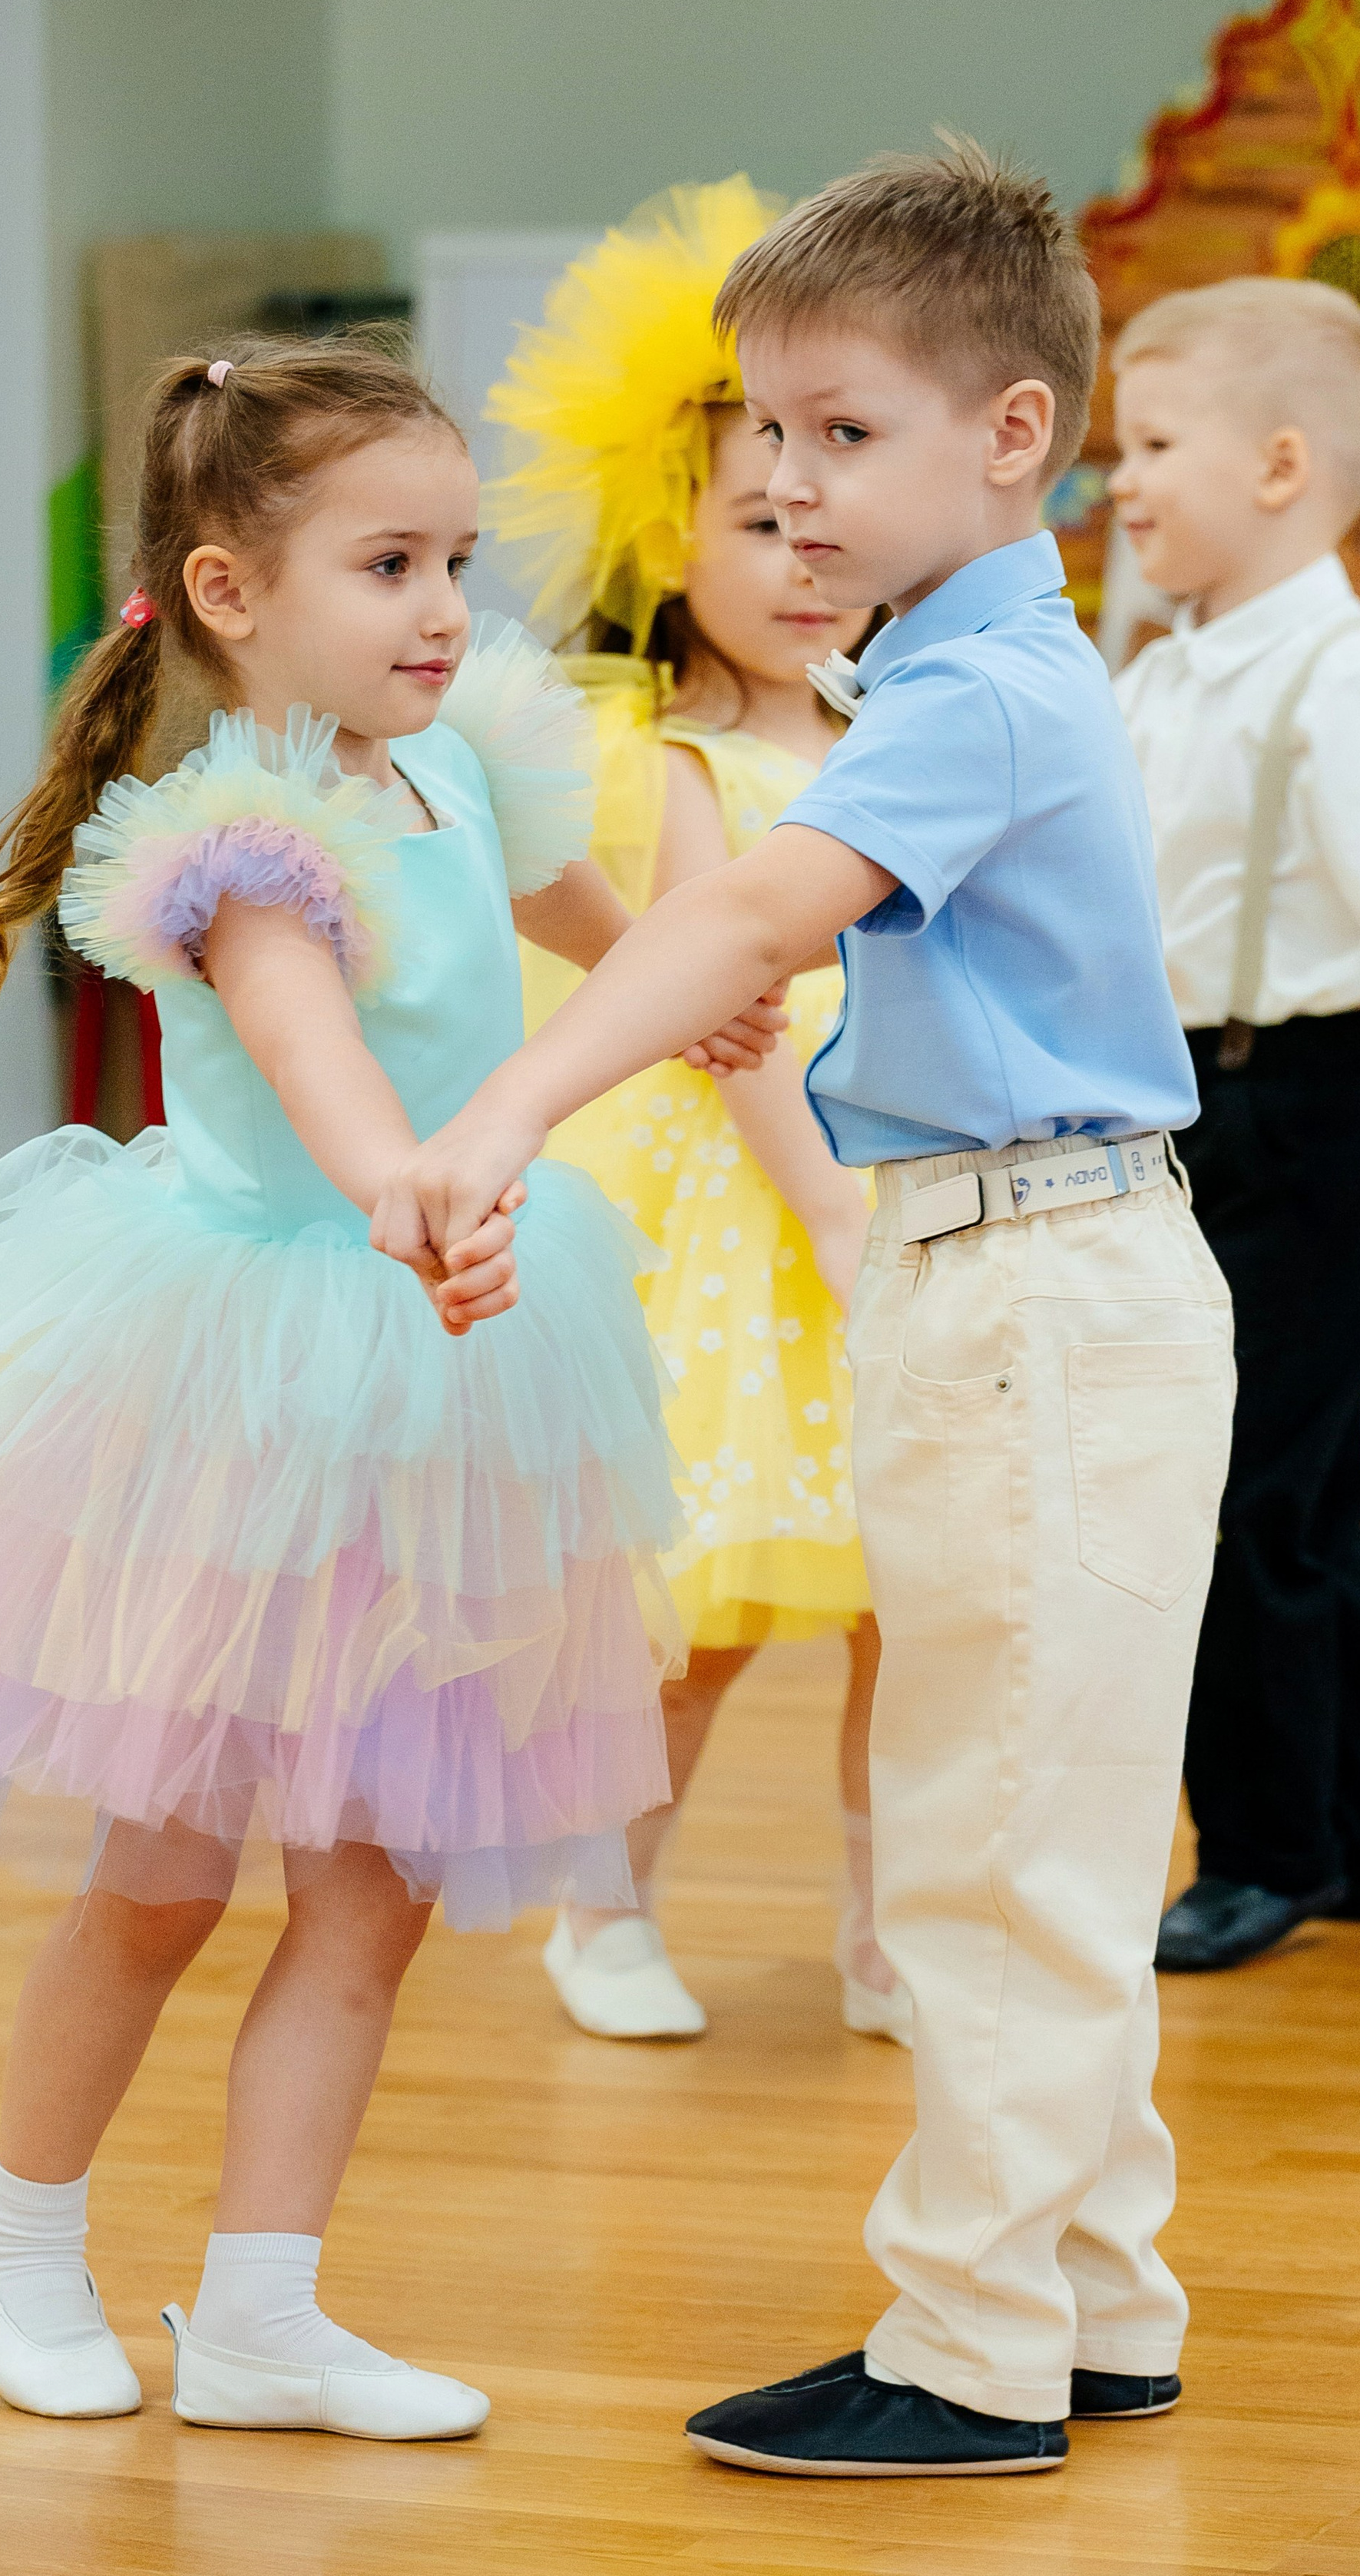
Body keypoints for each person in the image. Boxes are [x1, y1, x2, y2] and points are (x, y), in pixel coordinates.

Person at [0, 338, 777, 2445]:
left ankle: (259, 2314)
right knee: (165, 1868)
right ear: (232, 593)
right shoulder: (234, 845)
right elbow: (330, 1081)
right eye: (387, 564)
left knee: (376, 1883)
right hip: (251, 1374)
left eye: (457, 562)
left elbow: (622, 940)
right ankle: (24, 2240)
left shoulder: (467, 762)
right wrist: (425, 1182)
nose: (441, 610)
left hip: (449, 1374)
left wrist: (719, 999)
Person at [375, 141, 1236, 2481]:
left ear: (1013, 439)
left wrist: (505, 1112)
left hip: (1041, 1288)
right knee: (1020, 1816)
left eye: (842, 433)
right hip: (1021, 1270)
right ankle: (1087, 2298)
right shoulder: (948, 668)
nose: (786, 479)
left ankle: (971, 2357)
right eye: (766, 434)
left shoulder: (984, 695)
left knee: (996, 1842)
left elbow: (751, 915)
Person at [485, 179, 904, 2045]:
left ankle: (889, 1932)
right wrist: (820, 1207)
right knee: (711, 1601)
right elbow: (722, 1015)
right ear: (674, 543)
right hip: (745, 1209)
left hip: (897, 1175)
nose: (800, 555)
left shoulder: (903, 729)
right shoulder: (670, 759)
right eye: (752, 519)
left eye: (823, 511)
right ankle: (603, 1905)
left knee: (913, 1607)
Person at [1107, 278, 1360, 1975]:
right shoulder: (1160, 676)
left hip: (1310, 1109)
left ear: (1278, 466)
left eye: (1146, 446)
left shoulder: (1352, 683)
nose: (1115, 482)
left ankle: (1265, 1850)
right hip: (1186, 1103)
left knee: (1227, 1496)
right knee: (1294, 1488)